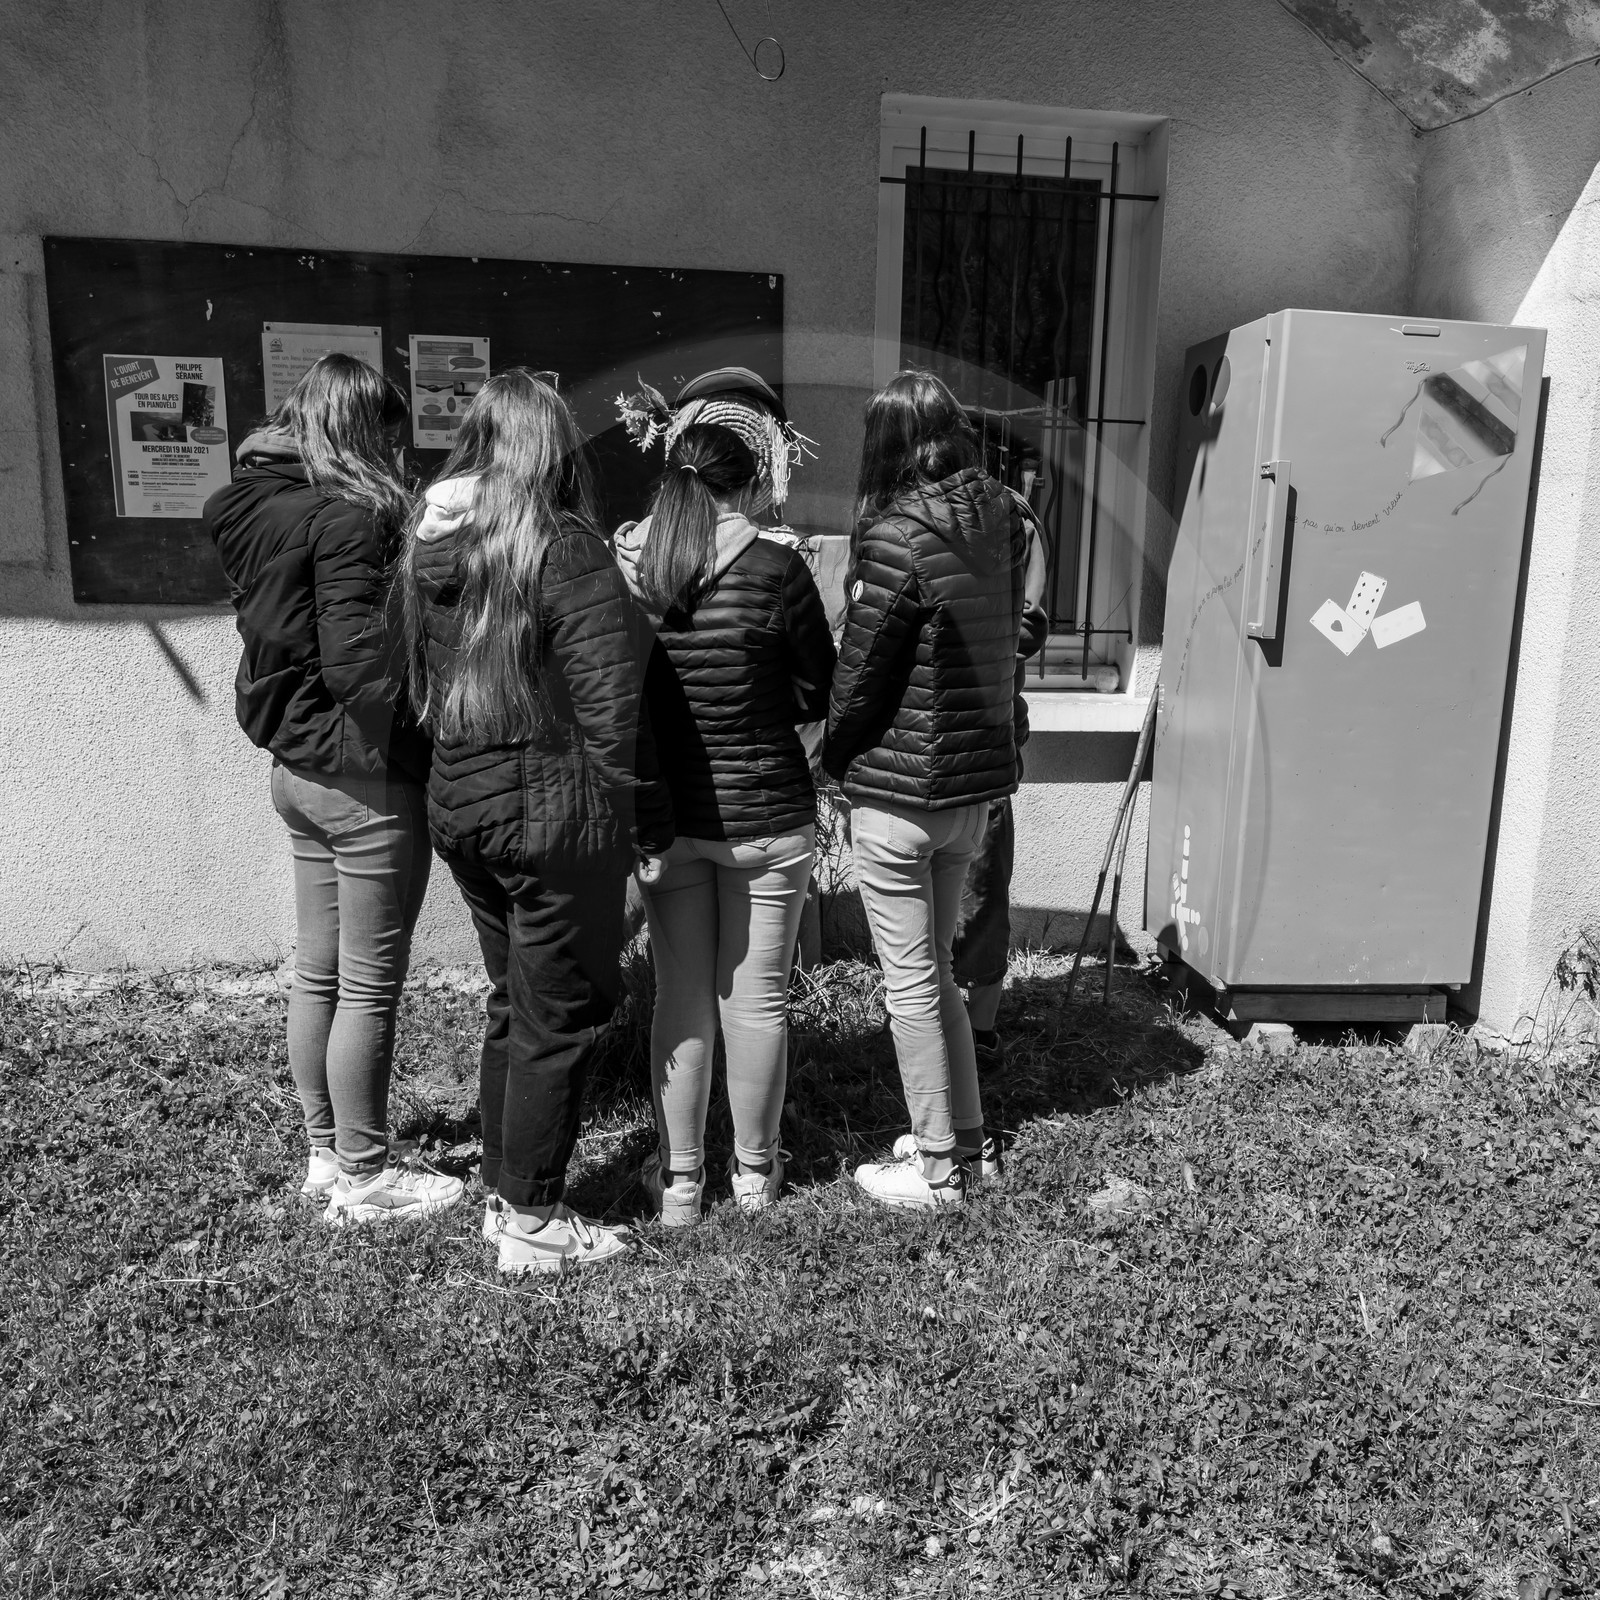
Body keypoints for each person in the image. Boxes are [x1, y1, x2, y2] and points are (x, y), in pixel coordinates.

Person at [395, 369, 674, 1276]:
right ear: (553, 450)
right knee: (554, 1014)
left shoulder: (435, 547)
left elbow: (417, 687)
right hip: (550, 818)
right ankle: (533, 1221)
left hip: (465, 808)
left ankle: (503, 1189)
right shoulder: (563, 548)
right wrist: (645, 827)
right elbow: (611, 709)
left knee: (513, 1003)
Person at [205, 354, 461, 1225]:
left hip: (297, 769)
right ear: (360, 430)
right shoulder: (346, 518)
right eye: (389, 435)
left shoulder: (254, 502)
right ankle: (366, 1175)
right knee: (369, 982)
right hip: (361, 777)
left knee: (317, 969)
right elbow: (359, 665)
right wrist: (434, 713)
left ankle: (324, 1154)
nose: (398, 452)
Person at [612, 421, 835, 1224]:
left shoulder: (631, 568)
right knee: (757, 1002)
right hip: (767, 813)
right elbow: (819, 689)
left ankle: (678, 1184)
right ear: (746, 489)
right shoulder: (778, 569)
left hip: (668, 821)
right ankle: (753, 1176)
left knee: (681, 999)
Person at [823, 369, 1027, 1210]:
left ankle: (937, 1168)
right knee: (937, 974)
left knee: (909, 982)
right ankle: (966, 1142)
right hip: (970, 796)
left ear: (888, 447)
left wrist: (826, 756)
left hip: (899, 797)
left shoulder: (896, 535)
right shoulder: (1005, 522)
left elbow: (861, 673)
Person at [952, 504, 1051, 1070]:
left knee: (983, 885)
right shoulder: (896, 509)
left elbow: (1028, 625)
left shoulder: (1012, 517)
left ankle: (981, 1029)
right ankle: (926, 1022)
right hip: (916, 743)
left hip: (981, 736)